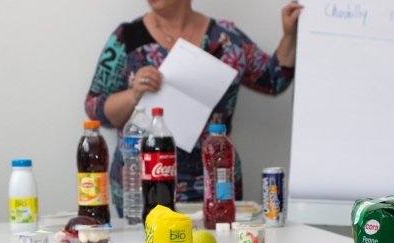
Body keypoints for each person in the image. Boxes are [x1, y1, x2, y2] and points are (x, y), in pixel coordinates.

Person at [85, 0, 303, 217]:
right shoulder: (128, 38)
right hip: (144, 186)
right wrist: (134, 93)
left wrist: (289, 35)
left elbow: (273, 80)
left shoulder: (226, 38)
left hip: (215, 184)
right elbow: (95, 108)